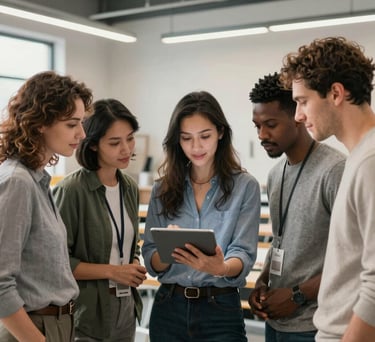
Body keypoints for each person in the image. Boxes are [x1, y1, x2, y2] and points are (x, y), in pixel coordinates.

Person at [142, 90, 261, 341]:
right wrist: (167, 253)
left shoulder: (245, 187)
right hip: (169, 307)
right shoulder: (161, 189)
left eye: (204, 136)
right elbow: (151, 259)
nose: (196, 147)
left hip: (220, 309)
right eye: (186, 138)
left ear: (220, 132)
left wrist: (221, 267)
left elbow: (243, 251)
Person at [280, 36, 375, 341]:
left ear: (335, 93)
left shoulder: (370, 162)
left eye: (303, 101)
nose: (298, 116)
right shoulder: (359, 158)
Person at [248, 72, 345, 342]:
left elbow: (355, 259)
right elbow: (281, 240)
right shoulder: (275, 174)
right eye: (257, 126)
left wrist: (298, 295)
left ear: (298, 118)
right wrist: (263, 280)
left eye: (270, 125)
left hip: (316, 326)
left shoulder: (334, 170)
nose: (262, 135)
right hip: (276, 322)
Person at [0, 71, 93, 341]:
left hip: (56, 323)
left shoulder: (36, 179)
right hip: (32, 328)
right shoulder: (17, 182)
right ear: (40, 123)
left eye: (82, 122)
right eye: (71, 124)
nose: (82, 133)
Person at [52, 98, 147, 341]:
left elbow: (129, 244)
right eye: (115, 142)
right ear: (93, 145)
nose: (126, 149)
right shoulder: (71, 190)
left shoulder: (129, 188)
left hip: (126, 307)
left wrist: (133, 264)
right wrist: (113, 272)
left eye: (130, 138)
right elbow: (58, 263)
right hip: (87, 314)